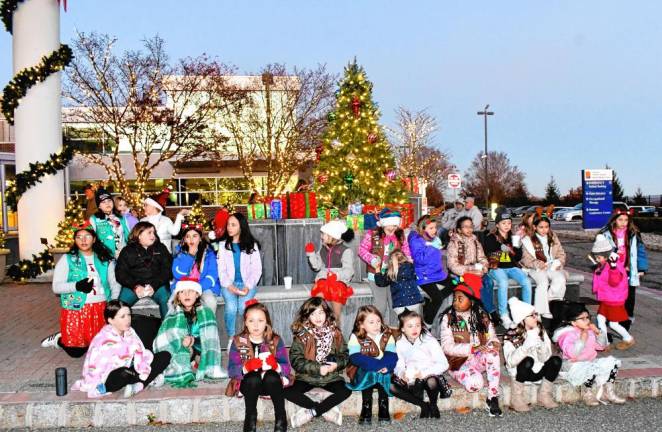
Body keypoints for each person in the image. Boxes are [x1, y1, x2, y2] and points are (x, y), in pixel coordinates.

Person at [41, 221, 120, 356]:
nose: (83, 240)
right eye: (79, 237)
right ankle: (60, 339)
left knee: (101, 349)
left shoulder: (105, 260)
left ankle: (69, 336)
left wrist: (113, 304)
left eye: (87, 236)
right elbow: (56, 287)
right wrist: (76, 286)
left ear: (94, 239)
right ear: (75, 240)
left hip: (100, 308)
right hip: (75, 308)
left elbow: (115, 284)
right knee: (76, 352)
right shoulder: (67, 259)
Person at [71, 300, 171, 398]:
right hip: (112, 376)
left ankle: (138, 385)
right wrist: (94, 385)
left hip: (131, 370)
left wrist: (142, 366)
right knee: (123, 373)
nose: (128, 319)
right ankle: (145, 380)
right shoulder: (103, 340)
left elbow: (141, 353)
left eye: (129, 315)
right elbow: (95, 369)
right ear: (111, 320)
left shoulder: (130, 332)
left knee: (165, 356)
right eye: (122, 317)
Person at [439, 273, 503, 417]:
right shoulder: (448, 318)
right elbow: (446, 347)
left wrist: (494, 343)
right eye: (454, 298)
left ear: (472, 301)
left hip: (477, 358)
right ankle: (472, 375)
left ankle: (492, 396)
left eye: (460, 299)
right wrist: (471, 348)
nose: (455, 302)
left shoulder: (482, 316)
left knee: (492, 352)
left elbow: (491, 336)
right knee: (475, 385)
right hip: (458, 362)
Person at [226, 300, 292, 432]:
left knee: (272, 377)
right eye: (251, 321)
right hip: (249, 386)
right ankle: (250, 418)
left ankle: (280, 417)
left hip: (270, 385)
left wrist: (276, 366)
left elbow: (287, 367)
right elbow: (231, 369)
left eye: (260, 321)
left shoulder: (275, 340)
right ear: (245, 322)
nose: (256, 325)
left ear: (266, 322)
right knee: (253, 378)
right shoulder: (238, 341)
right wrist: (245, 368)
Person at [285, 297, 351, 427]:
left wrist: (337, 364)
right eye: (313, 313)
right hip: (307, 377)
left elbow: (345, 355)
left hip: (330, 377)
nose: (317, 317)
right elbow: (296, 360)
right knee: (288, 392)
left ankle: (313, 412)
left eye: (321, 312)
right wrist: (317, 368)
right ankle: (320, 409)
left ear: (327, 313)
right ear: (307, 316)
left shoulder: (335, 333)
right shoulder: (302, 335)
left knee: (346, 390)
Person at [153, 277, 226, 387]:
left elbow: (210, 340)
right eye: (182, 292)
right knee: (185, 353)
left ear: (197, 294)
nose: (187, 295)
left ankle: (195, 364)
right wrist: (181, 342)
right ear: (178, 296)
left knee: (207, 364)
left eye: (191, 291)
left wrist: (193, 340)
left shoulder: (206, 312)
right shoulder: (173, 314)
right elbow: (168, 336)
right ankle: (181, 368)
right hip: (181, 348)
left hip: (200, 347)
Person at [552, 302, 625, 406]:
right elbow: (572, 354)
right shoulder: (566, 334)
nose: (587, 321)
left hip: (589, 362)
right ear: (573, 322)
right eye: (582, 318)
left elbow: (601, 347)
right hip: (573, 365)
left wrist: (598, 333)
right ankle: (587, 392)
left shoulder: (589, 331)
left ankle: (608, 391)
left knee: (612, 362)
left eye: (588, 317)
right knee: (589, 367)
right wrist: (582, 339)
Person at [503, 297, 561, 412]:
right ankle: (517, 398)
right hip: (521, 372)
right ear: (522, 319)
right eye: (532, 315)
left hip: (539, 370)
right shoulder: (511, 335)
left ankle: (544, 394)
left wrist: (541, 347)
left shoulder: (540, 330)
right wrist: (525, 347)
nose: (536, 317)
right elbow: (510, 362)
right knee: (528, 360)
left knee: (556, 360)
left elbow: (546, 357)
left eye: (536, 314)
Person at [391, 310, 452, 418]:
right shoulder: (400, 342)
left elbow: (444, 364)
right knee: (391, 387)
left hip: (429, 374)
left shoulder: (429, 340)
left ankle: (433, 405)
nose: (415, 329)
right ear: (402, 329)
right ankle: (423, 405)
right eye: (410, 326)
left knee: (431, 382)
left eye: (417, 325)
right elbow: (398, 364)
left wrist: (423, 373)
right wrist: (402, 373)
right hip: (413, 377)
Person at [596, 209, 648, 331]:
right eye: (620, 219)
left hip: (629, 269)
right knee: (612, 294)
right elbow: (598, 251)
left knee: (629, 295)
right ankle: (611, 317)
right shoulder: (605, 234)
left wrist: (641, 268)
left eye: (626, 220)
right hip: (612, 270)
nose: (623, 222)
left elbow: (640, 252)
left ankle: (626, 319)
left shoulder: (633, 233)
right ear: (614, 219)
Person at [346, 305, 398, 425]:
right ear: (361, 324)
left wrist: (386, 366)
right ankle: (366, 406)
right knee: (370, 372)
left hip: (383, 368)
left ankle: (383, 405)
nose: (376, 325)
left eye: (378, 321)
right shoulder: (356, 336)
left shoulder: (387, 335)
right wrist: (376, 365)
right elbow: (355, 357)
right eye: (371, 322)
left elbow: (391, 354)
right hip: (362, 370)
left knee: (384, 373)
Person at [358, 208, 411, 325]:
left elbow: (406, 251)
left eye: (394, 225)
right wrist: (371, 259)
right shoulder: (373, 234)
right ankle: (377, 329)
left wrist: (406, 261)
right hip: (376, 275)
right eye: (389, 225)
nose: (392, 228)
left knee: (396, 305)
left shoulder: (400, 235)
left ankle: (394, 331)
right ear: (382, 224)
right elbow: (361, 250)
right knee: (381, 306)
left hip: (394, 274)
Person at [483, 209, 532, 329]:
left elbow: (519, 257)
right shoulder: (491, 237)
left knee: (526, 282)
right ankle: (504, 314)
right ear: (498, 224)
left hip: (511, 267)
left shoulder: (513, 237)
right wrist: (500, 247)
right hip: (497, 267)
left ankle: (526, 313)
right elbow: (488, 253)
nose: (506, 226)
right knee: (503, 282)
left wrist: (517, 246)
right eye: (504, 223)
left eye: (509, 223)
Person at [217, 212, 262, 337]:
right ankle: (232, 337)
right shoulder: (222, 245)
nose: (229, 228)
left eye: (233, 225)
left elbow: (257, 269)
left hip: (247, 284)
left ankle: (245, 336)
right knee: (231, 308)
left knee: (243, 307)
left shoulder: (251, 245)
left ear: (241, 227)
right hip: (229, 284)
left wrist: (248, 286)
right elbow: (221, 270)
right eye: (228, 225)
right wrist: (229, 286)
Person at [116, 222, 173, 320]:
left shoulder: (161, 248)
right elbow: (121, 274)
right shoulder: (127, 251)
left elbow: (167, 270)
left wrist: (154, 286)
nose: (153, 235)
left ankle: (168, 330)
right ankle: (119, 332)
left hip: (157, 284)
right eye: (149, 232)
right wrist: (135, 286)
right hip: (134, 285)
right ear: (139, 235)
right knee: (120, 306)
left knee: (166, 301)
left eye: (154, 233)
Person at [590, 235, 635, 350]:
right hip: (607, 298)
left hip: (614, 299)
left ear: (605, 256)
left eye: (599, 257)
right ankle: (604, 342)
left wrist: (614, 268)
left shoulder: (613, 266)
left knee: (613, 324)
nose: (597, 260)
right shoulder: (603, 265)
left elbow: (614, 282)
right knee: (600, 319)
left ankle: (628, 339)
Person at [305, 220, 355, 320]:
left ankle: (336, 326)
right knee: (319, 296)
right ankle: (318, 320)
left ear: (333, 236)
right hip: (324, 280)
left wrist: (336, 275)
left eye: (324, 234)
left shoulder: (345, 251)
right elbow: (317, 266)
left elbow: (349, 271)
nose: (321, 236)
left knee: (336, 295)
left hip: (338, 281)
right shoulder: (323, 250)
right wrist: (311, 254)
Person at [446, 217, 495, 320]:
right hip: (460, 274)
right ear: (459, 230)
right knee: (476, 284)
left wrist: (483, 269)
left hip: (476, 271)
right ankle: (488, 313)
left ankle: (486, 311)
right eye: (466, 227)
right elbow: (452, 265)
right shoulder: (454, 243)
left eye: (471, 226)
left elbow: (482, 258)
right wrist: (470, 270)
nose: (469, 229)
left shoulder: (475, 242)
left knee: (489, 281)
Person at [520, 214, 567, 319]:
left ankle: (549, 301)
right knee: (543, 282)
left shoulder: (553, 237)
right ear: (535, 227)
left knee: (560, 279)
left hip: (552, 266)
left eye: (546, 227)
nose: (544, 230)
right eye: (541, 227)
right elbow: (525, 259)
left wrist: (559, 262)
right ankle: (541, 311)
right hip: (535, 268)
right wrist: (538, 264)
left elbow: (561, 253)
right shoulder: (528, 240)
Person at [408, 215, 450, 326]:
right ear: (423, 229)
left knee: (456, 282)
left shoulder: (434, 239)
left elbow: (438, 255)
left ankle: (428, 301)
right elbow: (419, 260)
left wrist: (445, 250)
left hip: (437, 273)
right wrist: (432, 247)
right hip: (424, 276)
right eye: (431, 228)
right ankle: (427, 324)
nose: (434, 230)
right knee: (438, 300)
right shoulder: (416, 241)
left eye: (435, 227)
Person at [172, 223, 221, 313]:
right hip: (184, 286)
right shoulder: (179, 253)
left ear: (200, 238)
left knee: (210, 301)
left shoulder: (209, 253)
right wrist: (189, 256)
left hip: (203, 286)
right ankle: (179, 326)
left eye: (194, 236)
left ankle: (208, 325)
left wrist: (197, 288)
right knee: (172, 303)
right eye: (188, 236)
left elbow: (212, 274)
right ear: (184, 239)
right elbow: (178, 274)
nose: (191, 240)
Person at [375, 249, 423, 316]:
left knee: (403, 324)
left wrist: (377, 269)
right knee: (415, 322)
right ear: (404, 257)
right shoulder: (411, 267)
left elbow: (381, 282)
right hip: (415, 301)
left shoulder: (390, 271)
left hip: (399, 304)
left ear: (390, 261)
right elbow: (419, 275)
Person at [141, 188, 190, 253]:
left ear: (154, 206)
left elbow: (175, 232)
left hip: (164, 257)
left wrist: (179, 215)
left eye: (146, 205)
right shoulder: (142, 221)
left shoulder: (166, 220)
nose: (144, 207)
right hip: (147, 258)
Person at [88, 188, 130, 258]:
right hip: (105, 256)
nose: (107, 203)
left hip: (123, 255)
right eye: (103, 202)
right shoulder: (94, 219)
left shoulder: (121, 218)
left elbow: (128, 236)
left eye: (109, 200)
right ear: (99, 206)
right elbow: (92, 239)